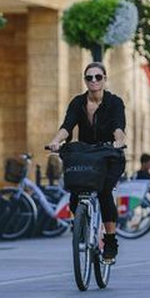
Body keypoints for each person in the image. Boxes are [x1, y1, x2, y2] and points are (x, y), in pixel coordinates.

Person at [46, 61, 127, 264]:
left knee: (105, 192)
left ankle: (109, 241)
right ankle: (83, 223)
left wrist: (119, 141)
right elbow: (67, 126)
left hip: (108, 155)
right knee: (75, 193)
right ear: (85, 80)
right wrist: (55, 141)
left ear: (104, 79)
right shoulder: (78, 103)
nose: (94, 81)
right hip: (85, 155)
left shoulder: (114, 102)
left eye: (98, 77)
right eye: (89, 77)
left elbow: (118, 126)